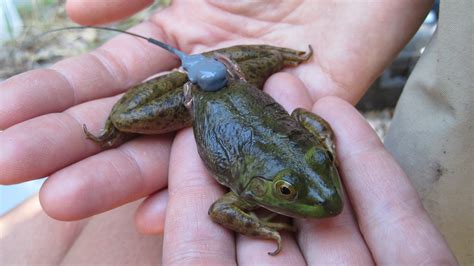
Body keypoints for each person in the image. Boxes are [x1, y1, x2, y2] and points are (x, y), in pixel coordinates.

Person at [0, 0, 466, 264]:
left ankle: (285, 61)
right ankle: (111, 128)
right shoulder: (250, 178)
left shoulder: (287, 164)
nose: (329, 198)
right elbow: (226, 202)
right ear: (267, 189)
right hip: (195, 98)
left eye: (322, 163)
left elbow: (298, 130)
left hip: (237, 82)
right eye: (286, 190)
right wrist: (262, 220)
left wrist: (319, 148)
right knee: (124, 119)